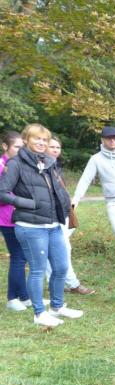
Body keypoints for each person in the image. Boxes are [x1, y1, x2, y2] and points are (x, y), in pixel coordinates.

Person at [0, 123, 83, 327]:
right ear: (26, 140)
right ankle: (39, 313)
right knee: (37, 270)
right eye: (37, 138)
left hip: (53, 225)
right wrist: (29, 204)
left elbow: (57, 190)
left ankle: (57, 307)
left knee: (61, 267)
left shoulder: (48, 162)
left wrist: (65, 207)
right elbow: (2, 192)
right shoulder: (15, 164)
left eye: (45, 140)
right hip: (30, 226)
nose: (41, 143)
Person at [73, 126, 115, 276]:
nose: (112, 141)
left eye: (114, 138)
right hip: (113, 203)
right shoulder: (96, 159)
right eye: (109, 138)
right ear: (102, 140)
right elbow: (85, 180)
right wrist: (76, 198)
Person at [46, 135, 94, 296]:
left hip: (62, 213)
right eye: (52, 147)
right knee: (63, 248)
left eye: (57, 147)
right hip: (50, 216)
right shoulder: (43, 167)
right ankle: (72, 284)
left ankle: (55, 283)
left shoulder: (55, 165)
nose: (55, 150)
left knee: (56, 249)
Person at [0, 130, 30, 311]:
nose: (21, 150)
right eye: (17, 147)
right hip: (6, 219)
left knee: (22, 256)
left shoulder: (17, 164)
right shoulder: (1, 166)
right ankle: (12, 298)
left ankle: (24, 297)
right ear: (5, 146)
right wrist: (18, 199)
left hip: (20, 216)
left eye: (22, 147)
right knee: (18, 256)